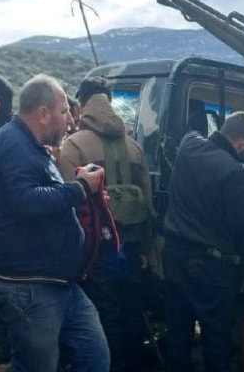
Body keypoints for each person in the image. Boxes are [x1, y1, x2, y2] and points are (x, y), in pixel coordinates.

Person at [0, 74, 109, 372]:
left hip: (61, 284)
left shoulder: (31, 145)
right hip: (31, 289)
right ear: (43, 114)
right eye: (63, 112)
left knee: (94, 357)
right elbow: (27, 200)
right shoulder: (11, 142)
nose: (70, 120)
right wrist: (80, 188)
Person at [59, 76, 154, 372]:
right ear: (109, 102)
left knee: (102, 314)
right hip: (132, 245)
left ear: (83, 103)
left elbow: (66, 204)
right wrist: (147, 250)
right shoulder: (135, 147)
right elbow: (148, 203)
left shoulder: (73, 145)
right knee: (132, 309)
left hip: (96, 250)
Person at [163, 112, 244, 372]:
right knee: (216, 338)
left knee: (178, 332)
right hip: (211, 266)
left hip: (174, 256)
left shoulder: (188, 145)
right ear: (243, 144)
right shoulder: (233, 171)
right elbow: (242, 225)